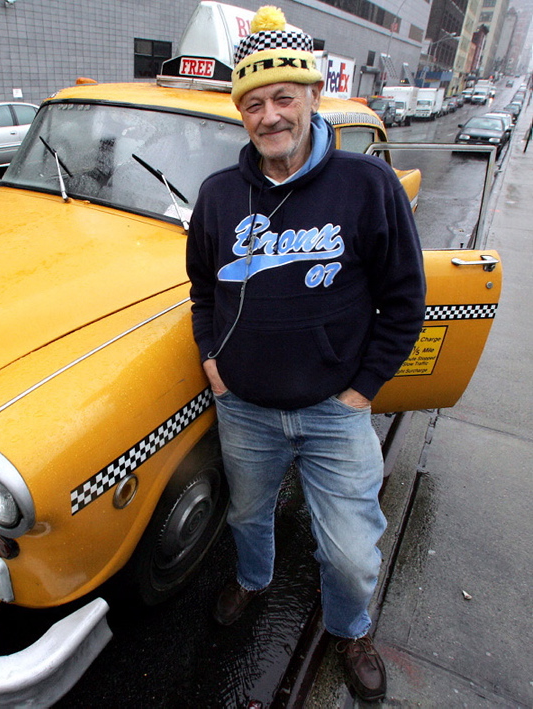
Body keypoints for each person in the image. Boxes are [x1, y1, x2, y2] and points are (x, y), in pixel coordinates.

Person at [185, 6, 426, 703]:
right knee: (246, 516)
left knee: (351, 552)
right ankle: (253, 581)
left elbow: (406, 300)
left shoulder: (367, 187)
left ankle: (351, 627)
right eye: (253, 103)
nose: (269, 116)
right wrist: (212, 363)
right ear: (241, 113)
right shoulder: (220, 196)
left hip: (334, 411)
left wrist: (362, 389)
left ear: (314, 96)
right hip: (246, 410)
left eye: (283, 96)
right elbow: (202, 287)